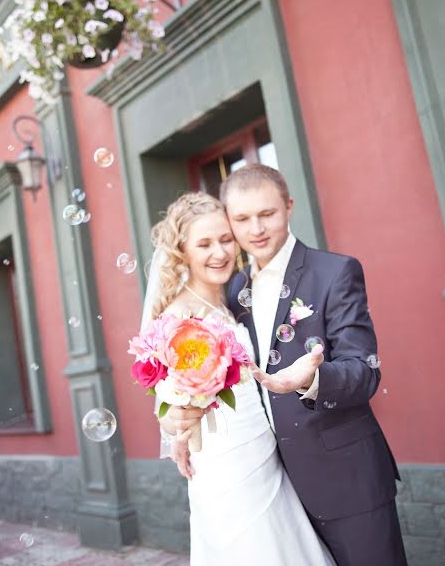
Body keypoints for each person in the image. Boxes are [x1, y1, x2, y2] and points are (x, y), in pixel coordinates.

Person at [169, 164, 407, 565]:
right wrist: (183, 418)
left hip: (345, 478)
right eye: (242, 219)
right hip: (271, 487)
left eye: (268, 214)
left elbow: (364, 371)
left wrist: (314, 379)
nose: (256, 229)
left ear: (289, 207)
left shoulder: (335, 272)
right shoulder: (233, 289)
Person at [142, 192, 334, 566]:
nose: (220, 252)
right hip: (225, 460)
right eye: (204, 244)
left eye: (226, 239)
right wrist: (175, 427)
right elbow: (169, 400)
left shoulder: (231, 300)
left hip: (263, 447)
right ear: (182, 251)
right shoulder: (180, 315)